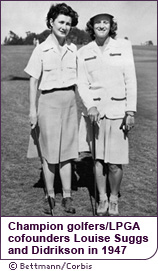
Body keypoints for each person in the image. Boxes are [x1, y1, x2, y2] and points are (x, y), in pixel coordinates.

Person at [77, 12, 137, 216]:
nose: (102, 25)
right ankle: (102, 198)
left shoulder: (123, 47)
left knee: (114, 163)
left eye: (106, 22)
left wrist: (130, 111)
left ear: (111, 26)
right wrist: (90, 106)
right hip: (95, 115)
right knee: (98, 160)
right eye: (97, 22)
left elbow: (130, 79)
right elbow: (82, 83)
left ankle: (113, 198)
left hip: (118, 113)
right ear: (91, 26)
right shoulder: (84, 52)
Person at [24, 3, 79, 214]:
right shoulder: (41, 49)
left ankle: (67, 196)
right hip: (48, 102)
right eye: (61, 22)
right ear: (51, 23)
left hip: (69, 102)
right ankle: (49, 196)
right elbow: (33, 80)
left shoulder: (73, 49)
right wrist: (32, 110)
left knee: (66, 153)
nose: (64, 26)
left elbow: (81, 81)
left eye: (68, 23)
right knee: (48, 154)